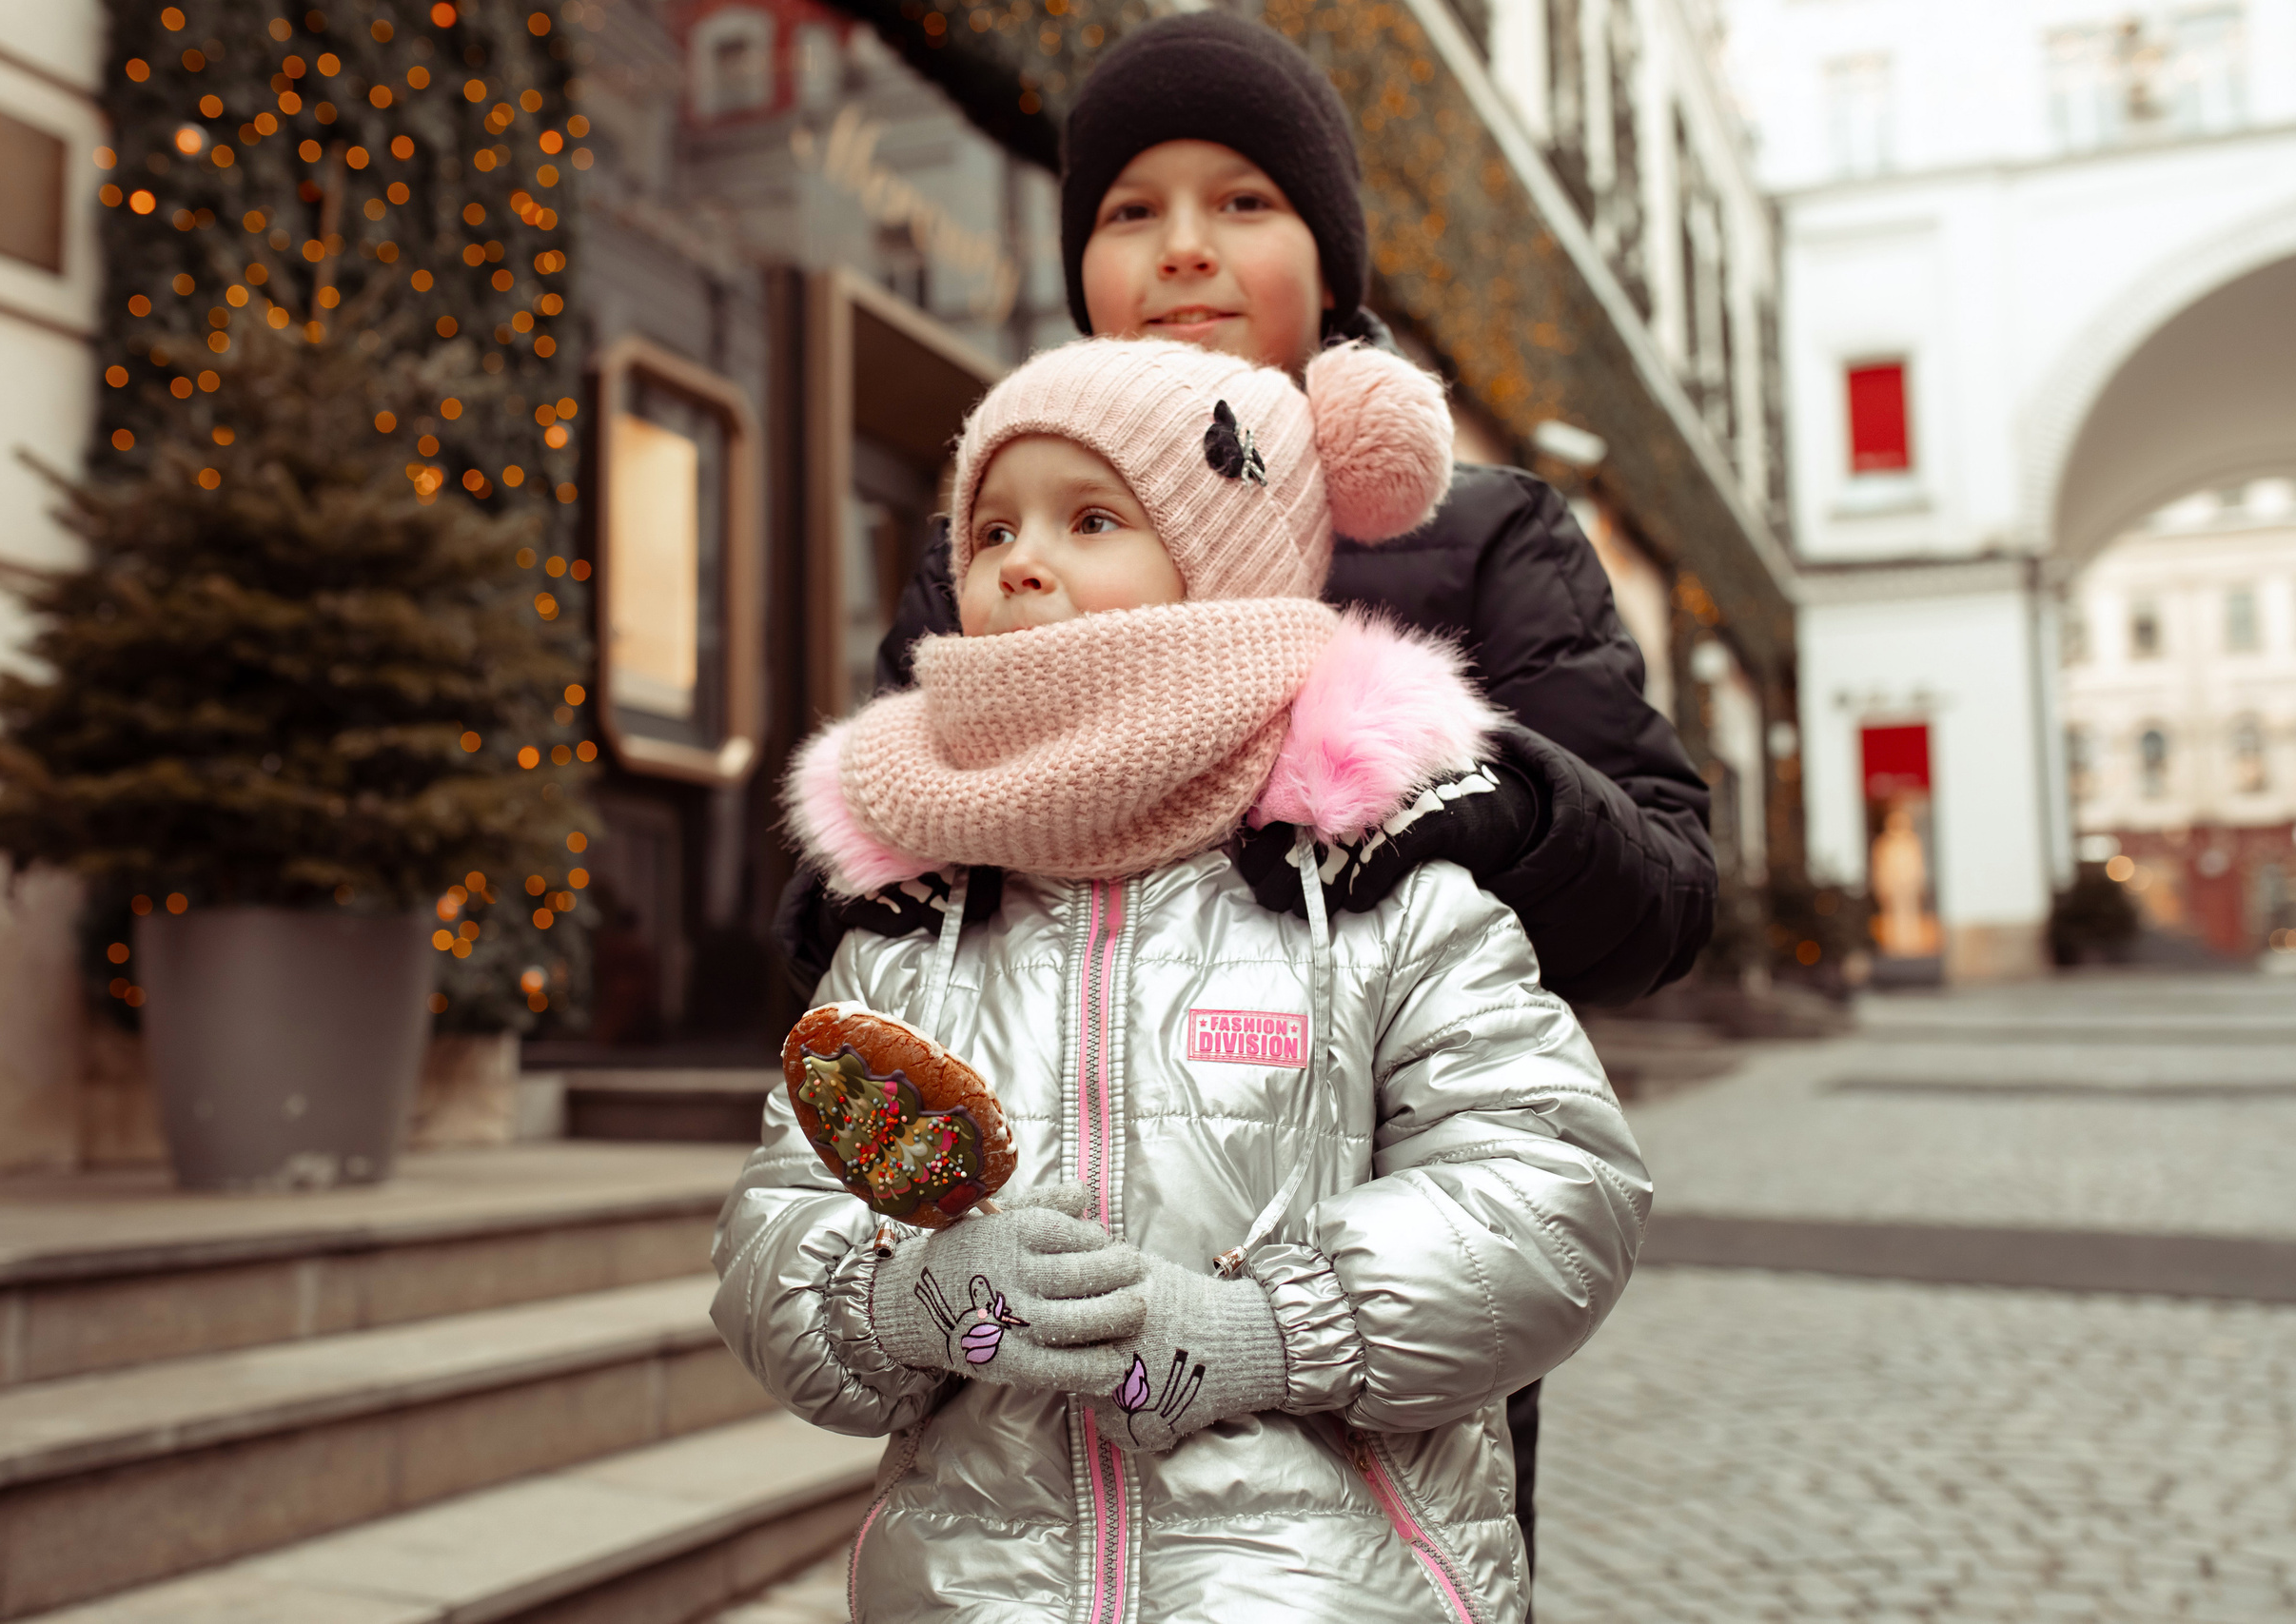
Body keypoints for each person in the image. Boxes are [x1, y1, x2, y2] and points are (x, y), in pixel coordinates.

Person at [775, 10, 1716, 1576]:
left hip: (1370, 1367)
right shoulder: (997, 545)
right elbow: (876, 884)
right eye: (1131, 211)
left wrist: (1485, 802)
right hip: (1021, 1427)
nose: (1184, 251)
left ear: (1331, 261)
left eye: (1245, 202)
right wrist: (861, 901)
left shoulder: (1479, 538)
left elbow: (1668, 898)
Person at [716, 332, 1648, 1621]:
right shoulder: (915, 918)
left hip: (1320, 1581)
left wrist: (1270, 1331)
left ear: (1224, 567)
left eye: (1090, 516)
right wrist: (901, 1301)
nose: (1019, 558)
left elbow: (1556, 1191)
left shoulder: (1376, 886)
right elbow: (771, 1231)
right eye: (988, 532)